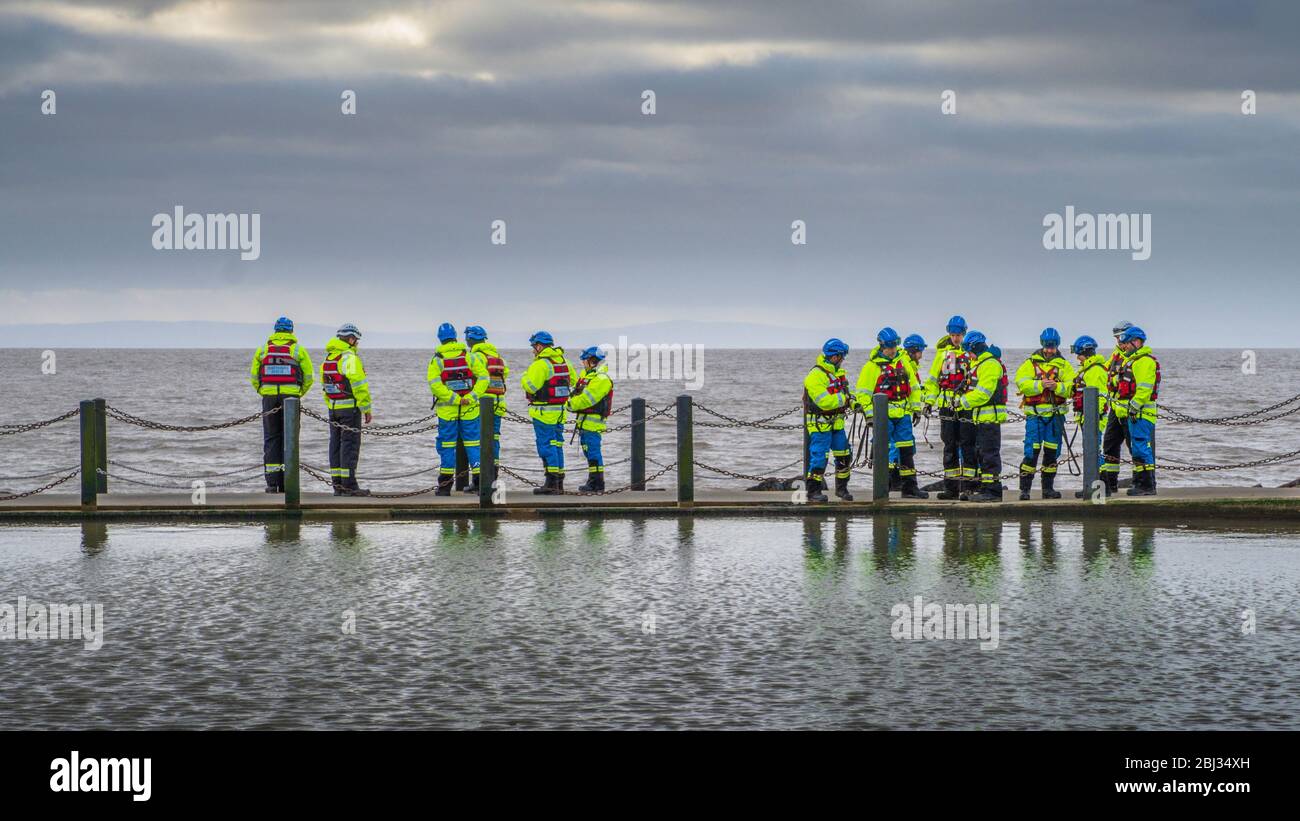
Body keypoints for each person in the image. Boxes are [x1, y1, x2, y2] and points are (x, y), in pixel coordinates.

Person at [855, 328, 927, 498]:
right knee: (885, 452)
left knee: (907, 450)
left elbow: (914, 387)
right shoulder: (871, 367)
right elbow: (863, 394)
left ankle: (910, 488)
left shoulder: (903, 362)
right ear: (882, 346)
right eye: (890, 346)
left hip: (902, 415)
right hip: (883, 416)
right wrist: (871, 415)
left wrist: (916, 408)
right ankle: (883, 488)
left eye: (895, 345)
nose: (893, 350)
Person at [249, 316, 314, 493]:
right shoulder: (298, 350)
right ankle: (287, 483)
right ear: (291, 331)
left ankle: (272, 484)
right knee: (290, 440)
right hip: (291, 398)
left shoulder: (263, 350)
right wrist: (299, 393)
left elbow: (254, 376)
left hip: (269, 398)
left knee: (271, 438)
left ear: (275, 331)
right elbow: (309, 377)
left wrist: (263, 391)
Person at [427, 322, 489, 496]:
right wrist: (471, 397)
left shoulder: (437, 360)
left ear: (440, 339)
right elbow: (484, 378)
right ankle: (480, 484)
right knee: (473, 444)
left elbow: (435, 385)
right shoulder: (470, 357)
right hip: (470, 410)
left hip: (447, 413)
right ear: (455, 337)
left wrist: (454, 399)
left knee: (447, 446)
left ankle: (445, 487)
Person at [1013, 328, 1075, 500]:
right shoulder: (1030, 363)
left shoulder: (1064, 365)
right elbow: (1021, 383)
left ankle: (1047, 489)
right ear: (1042, 345)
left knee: (1051, 452)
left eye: (1052, 347)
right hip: (1035, 416)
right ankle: (1024, 490)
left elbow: (1072, 387)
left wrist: (1058, 387)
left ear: (1057, 346)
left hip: (1055, 417)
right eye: (1047, 346)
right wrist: (1040, 385)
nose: (1049, 350)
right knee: (1031, 452)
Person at [922, 315, 977, 500]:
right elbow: (932, 382)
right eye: (953, 334)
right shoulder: (942, 355)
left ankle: (969, 487)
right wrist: (929, 402)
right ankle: (951, 488)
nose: (956, 338)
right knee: (949, 446)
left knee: (968, 446)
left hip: (965, 406)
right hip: (946, 407)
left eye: (959, 335)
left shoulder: (970, 354)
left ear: (964, 334)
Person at [521, 331, 577, 494]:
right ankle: (559, 482)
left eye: (534, 346)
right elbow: (574, 380)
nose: (533, 350)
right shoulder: (564, 361)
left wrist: (524, 376)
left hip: (543, 412)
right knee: (557, 444)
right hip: (560, 411)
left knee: (546, 445)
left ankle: (551, 483)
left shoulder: (540, 364)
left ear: (539, 346)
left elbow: (530, 387)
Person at [320, 323, 372, 496]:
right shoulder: (350, 358)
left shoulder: (329, 358)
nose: (357, 343)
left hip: (333, 408)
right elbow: (359, 386)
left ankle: (338, 486)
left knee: (335, 445)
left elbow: (325, 385)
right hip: (350, 409)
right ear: (350, 339)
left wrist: (331, 405)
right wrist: (366, 408)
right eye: (356, 340)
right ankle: (349, 486)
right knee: (349, 447)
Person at [1109, 326, 1160, 496]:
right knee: (1138, 448)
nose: (1124, 346)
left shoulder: (1145, 361)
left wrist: (1134, 407)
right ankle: (1141, 483)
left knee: (1141, 448)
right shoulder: (1133, 360)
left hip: (1141, 414)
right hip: (1133, 414)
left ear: (1136, 342)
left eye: (1127, 343)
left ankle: (1147, 485)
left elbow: (1144, 389)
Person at [957, 331, 1007, 502]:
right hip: (982, 418)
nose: (968, 355)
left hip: (990, 418)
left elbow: (983, 394)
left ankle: (993, 491)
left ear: (975, 348)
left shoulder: (990, 364)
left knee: (990, 455)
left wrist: (961, 402)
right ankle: (986, 488)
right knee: (982, 454)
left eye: (968, 351)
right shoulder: (981, 364)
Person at [803, 338, 853, 502]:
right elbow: (824, 402)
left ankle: (842, 489)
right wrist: (844, 399)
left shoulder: (837, 374)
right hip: (820, 425)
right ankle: (813, 492)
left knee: (844, 454)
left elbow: (846, 394)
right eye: (842, 356)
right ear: (835, 357)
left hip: (836, 424)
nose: (843, 360)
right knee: (819, 457)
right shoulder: (815, 376)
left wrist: (853, 401)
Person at [566, 346, 615, 493]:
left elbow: (587, 399)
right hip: (585, 421)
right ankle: (593, 480)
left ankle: (597, 483)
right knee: (589, 452)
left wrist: (569, 404)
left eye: (584, 360)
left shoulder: (601, 379)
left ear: (591, 361)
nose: (582, 362)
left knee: (593, 452)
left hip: (592, 423)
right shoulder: (589, 377)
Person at [1069, 335, 1110, 498]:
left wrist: (1094, 418)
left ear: (1083, 352)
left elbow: (1099, 395)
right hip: (1087, 418)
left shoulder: (1095, 371)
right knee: (1092, 452)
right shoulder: (1088, 369)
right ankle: (1097, 488)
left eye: (1078, 354)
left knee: (1095, 453)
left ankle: (1100, 490)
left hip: (1094, 419)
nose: (1077, 357)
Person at [465, 325, 508, 471]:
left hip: (481, 406)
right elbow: (504, 375)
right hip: (498, 404)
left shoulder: (474, 356)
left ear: (470, 339)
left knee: (479, 441)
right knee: (494, 439)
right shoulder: (498, 358)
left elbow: (471, 378)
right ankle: (493, 472)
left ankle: (483, 476)